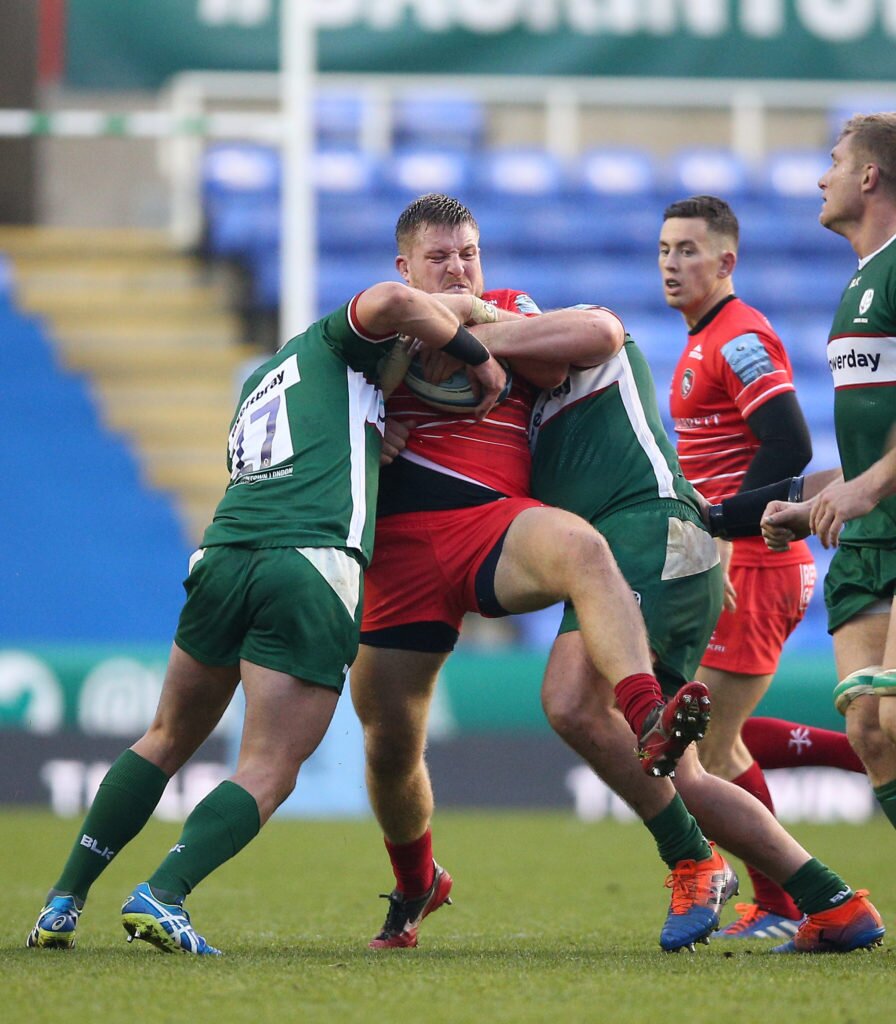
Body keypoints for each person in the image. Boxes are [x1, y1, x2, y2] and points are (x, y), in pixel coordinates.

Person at [25, 281, 508, 955]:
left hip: (223, 554)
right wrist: (477, 350)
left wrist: (375, 433)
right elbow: (398, 305)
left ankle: (62, 902)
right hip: (307, 562)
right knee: (272, 762)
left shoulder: (265, 382)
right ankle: (163, 894)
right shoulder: (339, 339)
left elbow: (322, 440)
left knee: (164, 736)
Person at [350, 194, 718, 954]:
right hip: (403, 553)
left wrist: (478, 327)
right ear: (404, 269)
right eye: (440, 259)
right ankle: (418, 881)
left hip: (492, 524)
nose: (458, 269)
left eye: (468, 255)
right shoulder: (375, 335)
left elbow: (592, 336)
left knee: (582, 549)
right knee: (389, 741)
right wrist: (363, 438)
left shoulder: (506, 310)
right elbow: (309, 417)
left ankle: (647, 712)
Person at [480, 303, 884, 955]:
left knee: (573, 703)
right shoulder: (523, 396)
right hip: (655, 542)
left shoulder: (578, 337)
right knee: (691, 775)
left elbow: (599, 327)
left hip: (650, 537)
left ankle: (694, 857)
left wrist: (468, 332)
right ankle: (833, 902)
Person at [658, 193, 861, 939]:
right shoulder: (702, 337)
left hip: (755, 566)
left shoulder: (739, 338)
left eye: (688, 250)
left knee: (705, 749)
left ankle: (780, 904)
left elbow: (790, 445)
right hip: (736, 564)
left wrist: (724, 521)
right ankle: (860, 754)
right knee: (721, 740)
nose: (673, 264)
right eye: (664, 250)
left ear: (726, 261)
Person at [758, 111, 896, 837]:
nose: (822, 175)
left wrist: (869, 488)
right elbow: (873, 455)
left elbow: (878, 472)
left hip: (888, 520)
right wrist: (808, 501)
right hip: (869, 539)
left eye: (836, 161)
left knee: (895, 713)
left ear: (869, 176)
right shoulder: (858, 286)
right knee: (871, 732)